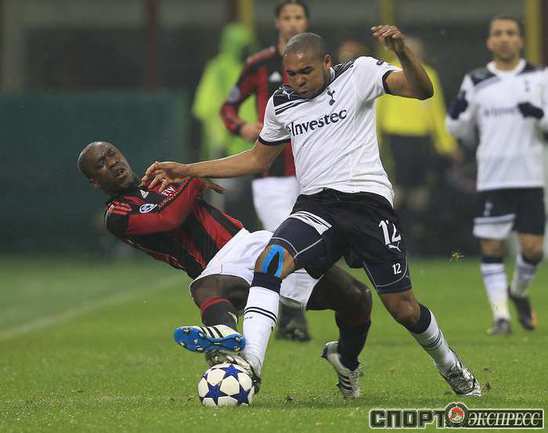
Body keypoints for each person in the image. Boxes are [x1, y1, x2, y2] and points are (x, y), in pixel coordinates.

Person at [144, 27, 481, 397]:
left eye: (306, 71)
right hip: (317, 205)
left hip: (368, 207)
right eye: (291, 74)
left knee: (404, 309)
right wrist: (189, 170)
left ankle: (448, 364)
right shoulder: (281, 102)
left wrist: (401, 51)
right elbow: (257, 158)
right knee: (270, 261)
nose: (298, 80)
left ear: (327, 62)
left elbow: (421, 90)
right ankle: (250, 366)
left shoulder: (360, 73)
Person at [78, 141, 373, 397]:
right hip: (214, 267)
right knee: (206, 288)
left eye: (112, 154)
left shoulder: (161, 181)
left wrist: (186, 177)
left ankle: (345, 359)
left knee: (357, 297)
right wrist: (193, 177)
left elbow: (183, 197)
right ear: (94, 182)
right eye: (101, 164)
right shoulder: (117, 215)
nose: (112, 163)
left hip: (251, 242)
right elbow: (167, 218)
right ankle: (225, 341)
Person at [446, 16, 548, 335]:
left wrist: (540, 116)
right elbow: (456, 126)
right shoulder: (476, 80)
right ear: (489, 42)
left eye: (510, 33)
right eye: (498, 34)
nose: (504, 38)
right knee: (492, 246)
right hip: (492, 176)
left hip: (531, 175)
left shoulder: (540, 77)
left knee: (533, 249)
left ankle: (518, 292)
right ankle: (500, 317)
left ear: (521, 40)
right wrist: (456, 115)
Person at [220, 0, 311, 342]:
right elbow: (228, 107)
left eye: (298, 16)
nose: (293, 22)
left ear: (306, 22)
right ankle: (289, 313)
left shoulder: (320, 62)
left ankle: (289, 310)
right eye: (287, 17)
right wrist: (243, 127)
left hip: (313, 169)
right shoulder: (259, 65)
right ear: (277, 23)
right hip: (271, 172)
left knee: (312, 244)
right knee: (284, 243)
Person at [376, 36, 460, 254]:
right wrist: (375, 141)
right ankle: (391, 237)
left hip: (421, 137)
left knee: (419, 190)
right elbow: (378, 110)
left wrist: (446, 143)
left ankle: (414, 240)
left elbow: (436, 110)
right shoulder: (387, 72)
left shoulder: (428, 74)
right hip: (396, 136)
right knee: (398, 188)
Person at [192, 22, 258, 226]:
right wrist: (220, 137)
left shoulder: (255, 67)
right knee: (223, 200)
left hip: (256, 142)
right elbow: (206, 106)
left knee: (255, 199)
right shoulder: (218, 68)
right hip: (228, 145)